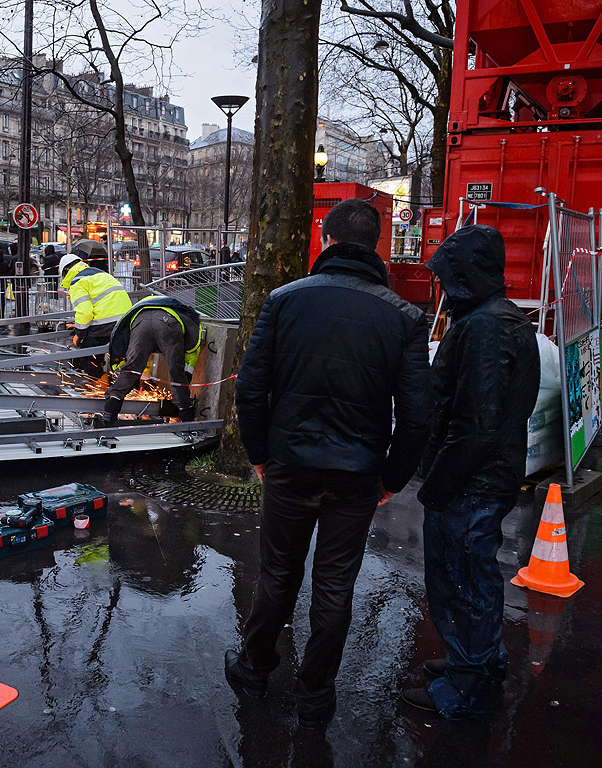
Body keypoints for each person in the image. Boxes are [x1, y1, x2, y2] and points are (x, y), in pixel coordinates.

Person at [226, 198, 432, 730]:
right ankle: (316, 693)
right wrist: (392, 477)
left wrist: (261, 456)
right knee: (336, 583)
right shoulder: (405, 316)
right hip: (358, 472)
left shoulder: (284, 300)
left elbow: (250, 391)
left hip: (290, 464)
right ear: (378, 245)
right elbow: (416, 414)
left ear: (326, 238)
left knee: (277, 572)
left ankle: (254, 667)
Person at [402, 225, 539, 719]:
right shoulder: (504, 319)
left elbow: (476, 423)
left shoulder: (485, 326)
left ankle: (466, 686)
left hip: (470, 483)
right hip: (486, 478)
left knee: (461, 581)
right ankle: (477, 661)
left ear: (464, 275)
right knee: (475, 577)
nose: (440, 286)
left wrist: (437, 484)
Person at [101, 295, 201, 424]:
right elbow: (192, 351)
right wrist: (186, 375)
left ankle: (109, 412)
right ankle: (186, 414)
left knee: (131, 370)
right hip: (168, 323)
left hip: (140, 323)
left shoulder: (142, 307)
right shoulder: (183, 316)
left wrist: (125, 372)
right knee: (175, 371)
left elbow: (138, 357)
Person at [59, 253, 132, 378]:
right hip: (126, 319)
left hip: (105, 323)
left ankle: (99, 382)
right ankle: (119, 382)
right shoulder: (100, 274)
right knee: (118, 355)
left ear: (66, 271)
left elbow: (85, 312)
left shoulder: (77, 282)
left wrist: (79, 333)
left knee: (87, 354)